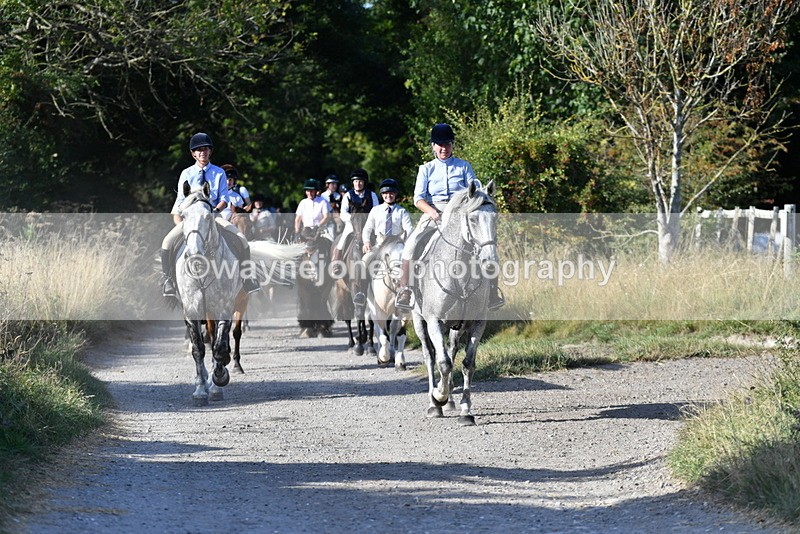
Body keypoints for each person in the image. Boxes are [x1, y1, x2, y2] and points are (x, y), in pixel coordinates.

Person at [394, 123, 504, 311]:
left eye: (447, 144)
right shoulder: (426, 169)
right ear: (433, 146)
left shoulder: (463, 166)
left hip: (459, 214)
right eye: (439, 144)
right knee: (411, 244)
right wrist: (431, 212)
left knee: (486, 245)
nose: (444, 148)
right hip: (433, 213)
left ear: (452, 145)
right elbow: (418, 199)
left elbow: (475, 191)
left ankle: (492, 291)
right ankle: (405, 290)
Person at [159, 132, 261, 297]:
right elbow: (179, 201)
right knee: (167, 242)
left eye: (205, 149)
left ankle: (247, 278)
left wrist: (212, 213)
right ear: (193, 153)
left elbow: (224, 199)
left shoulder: (219, 173)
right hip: (191, 220)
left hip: (214, 216)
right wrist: (183, 222)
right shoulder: (186, 173)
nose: (202, 153)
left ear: (210, 151)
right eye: (198, 150)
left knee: (242, 240)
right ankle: (168, 280)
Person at [357, 178, 413, 307]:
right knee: (365, 260)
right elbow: (367, 229)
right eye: (386, 194)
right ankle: (361, 292)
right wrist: (366, 241)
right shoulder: (375, 210)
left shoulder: (402, 211)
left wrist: (407, 243)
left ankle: (406, 292)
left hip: (397, 245)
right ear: (382, 195)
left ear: (395, 194)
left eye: (391, 193)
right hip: (380, 244)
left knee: (409, 263)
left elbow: (409, 229)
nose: (389, 196)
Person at [332, 168, 379, 263]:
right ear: (353, 182)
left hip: (368, 223)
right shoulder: (348, 195)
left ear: (364, 183)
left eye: (360, 181)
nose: (358, 184)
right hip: (352, 223)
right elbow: (343, 213)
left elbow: (377, 211)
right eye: (356, 181)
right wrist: (353, 219)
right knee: (343, 238)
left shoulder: (372, 195)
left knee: (379, 240)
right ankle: (336, 262)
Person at [220, 164, 253, 237]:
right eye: (226, 179)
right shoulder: (215, 195)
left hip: (231, 225)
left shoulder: (237, 197)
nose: (228, 182)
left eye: (231, 180)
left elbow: (238, 215)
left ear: (234, 181)